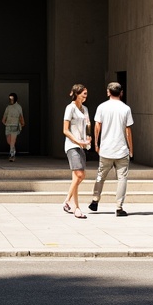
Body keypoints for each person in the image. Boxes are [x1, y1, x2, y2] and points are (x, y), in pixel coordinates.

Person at [88, 82, 134, 217]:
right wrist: (131, 148)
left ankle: (95, 200)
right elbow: (128, 130)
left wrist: (96, 144)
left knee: (100, 176)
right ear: (121, 93)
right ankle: (119, 207)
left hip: (106, 149)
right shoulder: (126, 108)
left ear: (108, 92)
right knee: (122, 179)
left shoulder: (102, 107)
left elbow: (97, 126)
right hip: (121, 149)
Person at [61, 84, 91, 217]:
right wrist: (77, 141)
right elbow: (65, 130)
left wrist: (88, 138)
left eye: (86, 94)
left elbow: (88, 125)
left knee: (76, 178)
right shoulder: (70, 108)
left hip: (82, 145)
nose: (85, 96)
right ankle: (67, 200)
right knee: (80, 175)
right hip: (72, 145)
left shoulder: (85, 109)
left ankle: (76, 208)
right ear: (77, 94)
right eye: (83, 93)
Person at [1, 92, 24, 160]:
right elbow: (4, 117)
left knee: (12, 141)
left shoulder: (18, 107)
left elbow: (21, 116)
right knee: (9, 141)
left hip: (15, 125)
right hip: (8, 126)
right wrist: (5, 123)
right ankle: (13, 150)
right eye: (10, 99)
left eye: (12, 98)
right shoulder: (8, 107)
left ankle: (12, 155)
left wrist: (22, 123)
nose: (11, 100)